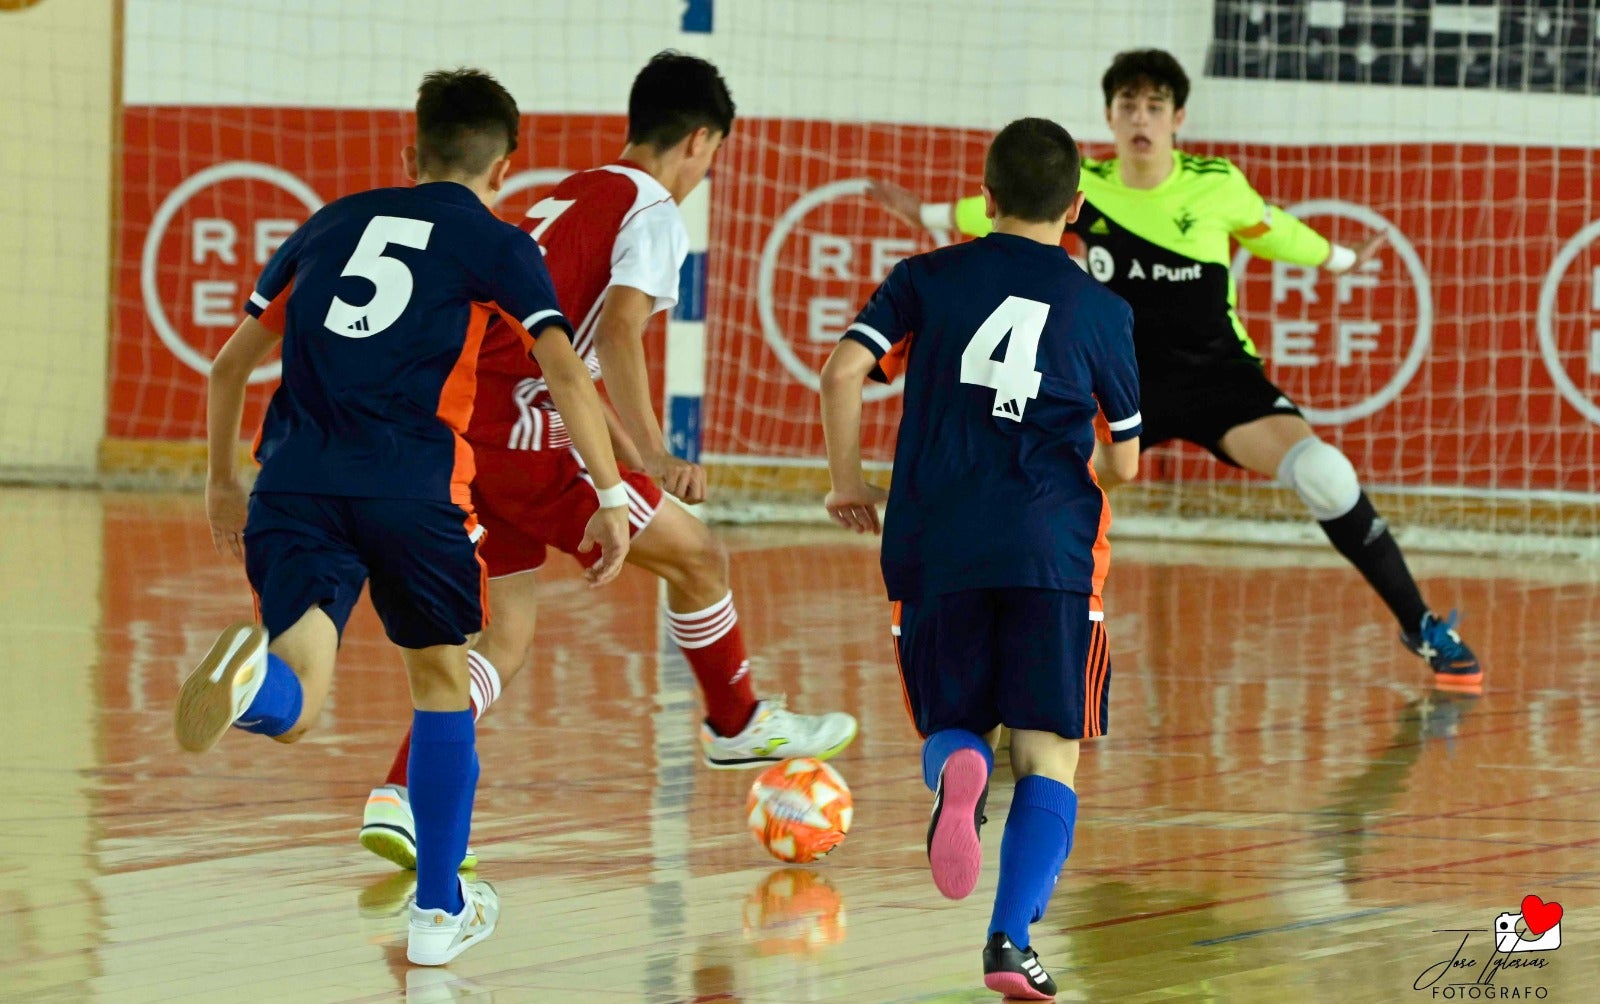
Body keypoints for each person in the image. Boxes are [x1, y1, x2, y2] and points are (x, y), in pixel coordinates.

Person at [347, 51, 857, 872]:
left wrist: (635, 457)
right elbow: (616, 336)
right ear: (699, 141)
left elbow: (573, 362)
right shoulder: (654, 210)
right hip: (525, 433)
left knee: (502, 639)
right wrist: (650, 458)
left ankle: (399, 794)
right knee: (699, 557)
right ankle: (736, 723)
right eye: (714, 156)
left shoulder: (573, 192)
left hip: (469, 432)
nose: (708, 172)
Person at [172, 69, 630, 966]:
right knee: (441, 684)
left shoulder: (328, 223)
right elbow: (567, 372)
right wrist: (612, 495)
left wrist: (223, 483)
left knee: (298, 695)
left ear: (408, 150)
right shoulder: (496, 241)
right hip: (414, 489)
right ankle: (435, 916)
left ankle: (249, 689)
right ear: (506, 163)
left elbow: (230, 366)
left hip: (293, 486)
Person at [868, 48, 1480, 692]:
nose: (1141, 117)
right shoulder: (1089, 191)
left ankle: (1423, 625)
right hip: (1121, 384)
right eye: (1127, 105)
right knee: (1037, 492)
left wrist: (1340, 261)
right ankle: (1006, 654)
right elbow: (998, 213)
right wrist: (928, 216)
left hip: (1220, 378)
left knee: (1326, 472)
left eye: (1155, 106)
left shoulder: (1216, 185)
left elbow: (1272, 230)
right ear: (1109, 115)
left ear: (1177, 117)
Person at [821, 117, 1141, 1001]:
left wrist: (848, 480)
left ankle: (959, 766)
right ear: (1076, 208)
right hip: (1052, 550)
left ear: (985, 197)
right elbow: (1125, 461)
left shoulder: (926, 277)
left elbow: (843, 373)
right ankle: (1010, 939)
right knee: (1051, 755)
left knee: (953, 725)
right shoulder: (1103, 310)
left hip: (934, 539)